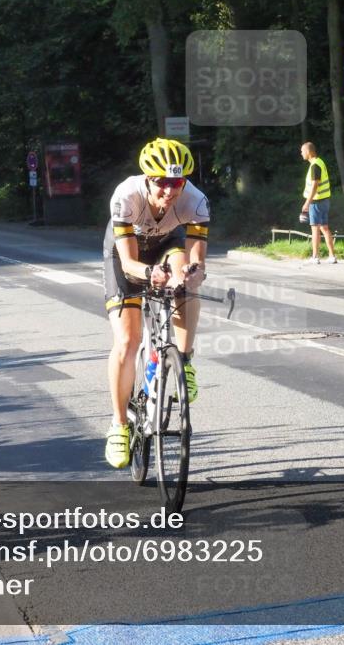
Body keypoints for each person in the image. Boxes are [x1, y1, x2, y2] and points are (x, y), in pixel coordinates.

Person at [102, 138, 210, 469]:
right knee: (128, 340)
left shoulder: (196, 202)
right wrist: (150, 274)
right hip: (130, 255)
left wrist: (192, 274)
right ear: (148, 178)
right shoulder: (126, 197)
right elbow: (130, 263)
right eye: (161, 182)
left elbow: (197, 260)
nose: (168, 190)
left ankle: (184, 361)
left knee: (186, 280)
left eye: (176, 182)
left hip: (168, 244)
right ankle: (119, 424)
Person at [300, 142, 337, 264]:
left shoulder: (315, 166)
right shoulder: (320, 162)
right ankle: (332, 256)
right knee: (324, 228)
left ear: (309, 152)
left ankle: (315, 256)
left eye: (302, 151)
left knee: (315, 229)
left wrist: (307, 203)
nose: (301, 153)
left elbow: (315, 186)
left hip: (316, 202)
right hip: (325, 200)